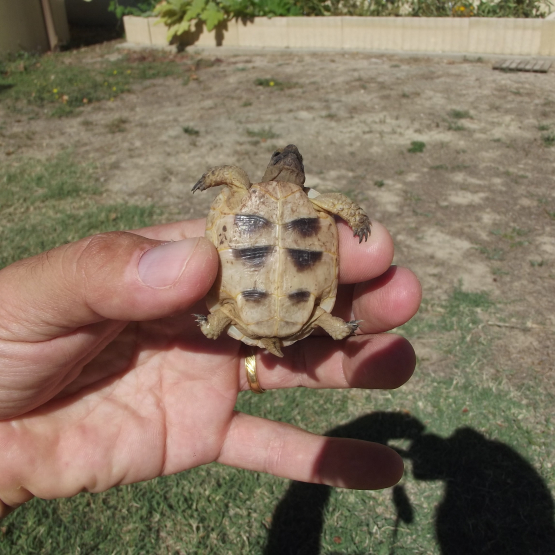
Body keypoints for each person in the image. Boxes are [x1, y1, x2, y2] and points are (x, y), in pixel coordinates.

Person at [0, 217, 421, 518]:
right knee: (317, 313)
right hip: (299, 312)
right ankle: (320, 324)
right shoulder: (316, 211)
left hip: (256, 311)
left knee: (237, 310)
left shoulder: (253, 203)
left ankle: (254, 321)